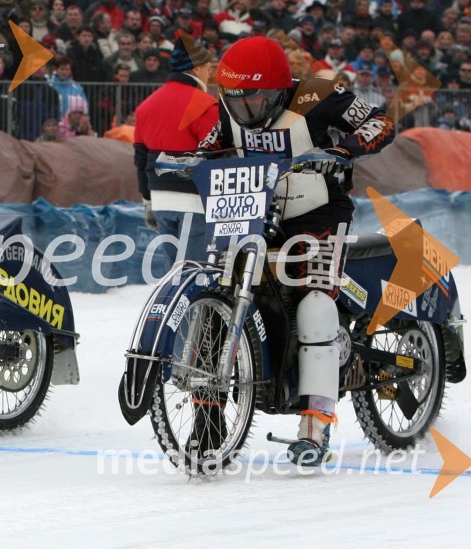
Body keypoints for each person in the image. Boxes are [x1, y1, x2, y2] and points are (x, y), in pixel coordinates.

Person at [207, 36, 395, 465]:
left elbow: (380, 123)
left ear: (279, 90)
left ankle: (315, 425)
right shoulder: (229, 108)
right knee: (224, 284)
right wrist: (189, 158)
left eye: (256, 102)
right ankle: (209, 416)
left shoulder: (319, 94)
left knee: (314, 303)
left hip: (320, 212)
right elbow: (213, 142)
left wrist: (342, 151)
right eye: (236, 103)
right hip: (256, 211)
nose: (246, 113)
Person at [133, 33, 218, 268]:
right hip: (194, 199)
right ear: (196, 68)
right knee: (194, 274)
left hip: (160, 198)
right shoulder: (205, 105)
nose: (210, 74)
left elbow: (140, 160)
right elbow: (217, 154)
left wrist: (147, 200)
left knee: (174, 274)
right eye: (208, 67)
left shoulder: (145, 106)